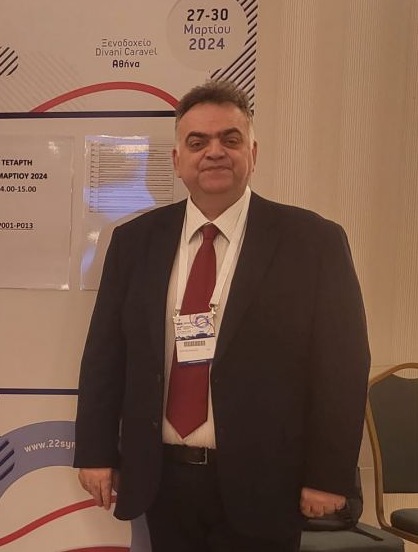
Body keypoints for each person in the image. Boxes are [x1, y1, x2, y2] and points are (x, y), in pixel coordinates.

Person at [73, 81, 370, 552]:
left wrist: (328, 475)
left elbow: (342, 368)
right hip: (162, 478)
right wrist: (95, 451)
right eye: (198, 142)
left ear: (252, 152)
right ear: (178, 160)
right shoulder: (134, 242)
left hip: (265, 480)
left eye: (230, 139)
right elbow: (104, 356)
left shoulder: (313, 242)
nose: (214, 152)